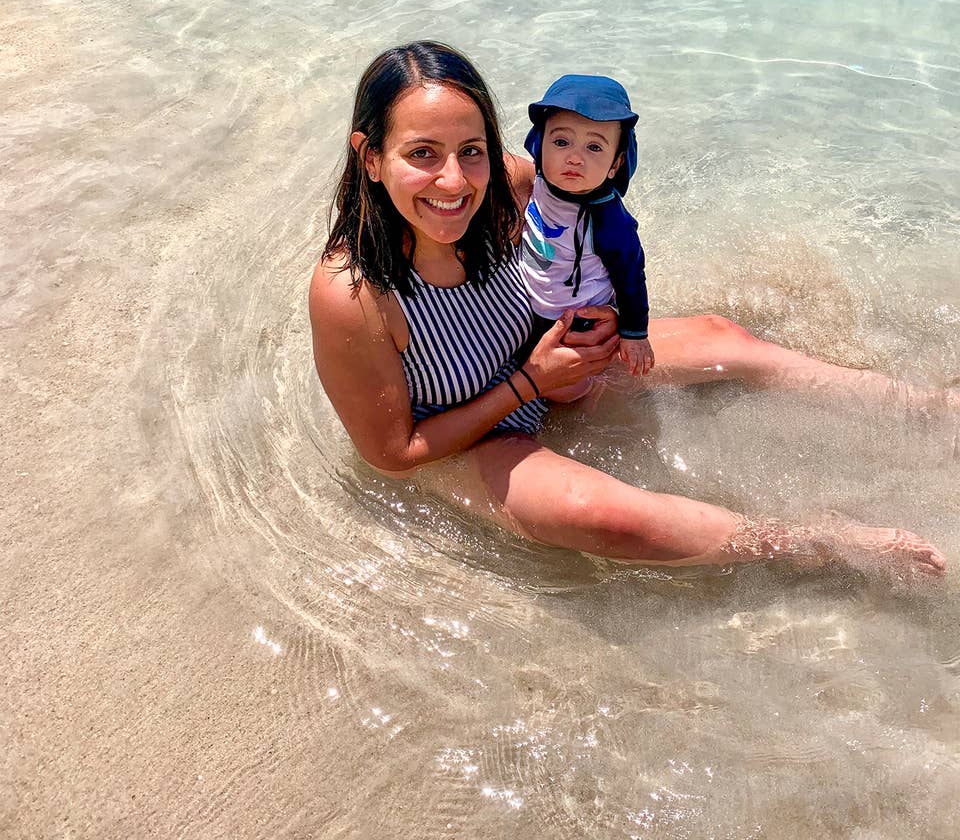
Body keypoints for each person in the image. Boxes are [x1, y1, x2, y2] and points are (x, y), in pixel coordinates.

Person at [309, 40, 947, 578]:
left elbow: (590, 234)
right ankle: (812, 545)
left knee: (724, 338)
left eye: (470, 150)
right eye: (422, 154)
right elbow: (393, 453)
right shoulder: (354, 292)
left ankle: (924, 410)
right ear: (371, 156)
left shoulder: (508, 184)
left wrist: (607, 315)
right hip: (468, 436)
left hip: (546, 367)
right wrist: (528, 384)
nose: (453, 181)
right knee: (608, 519)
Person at [519, 74, 654, 401]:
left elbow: (631, 276)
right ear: (539, 144)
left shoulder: (608, 219)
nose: (574, 157)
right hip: (530, 305)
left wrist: (634, 334)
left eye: (594, 146)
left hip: (578, 317)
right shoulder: (534, 184)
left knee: (568, 393)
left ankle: (598, 395)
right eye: (561, 142)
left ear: (615, 164)